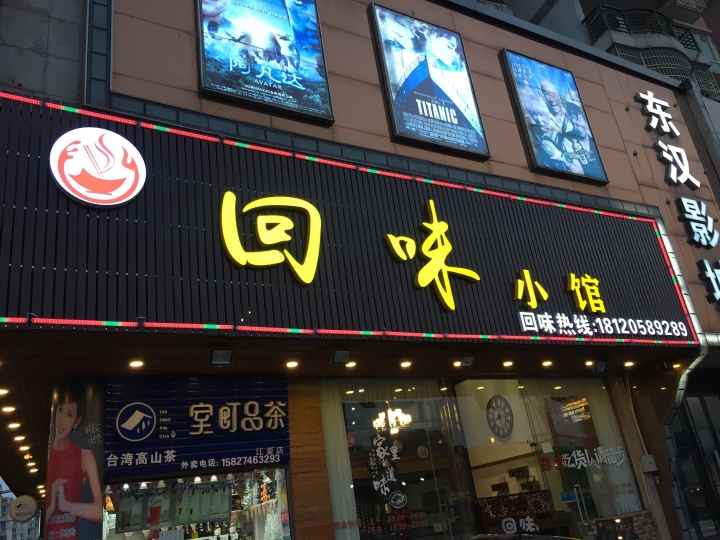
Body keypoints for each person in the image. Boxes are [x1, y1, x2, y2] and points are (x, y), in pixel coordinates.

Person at [46, 381, 102, 540]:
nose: (61, 420)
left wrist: (66, 506)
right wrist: (53, 506)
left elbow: (99, 511)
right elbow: (48, 517)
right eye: (60, 410)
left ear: (76, 421)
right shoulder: (49, 456)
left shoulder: (84, 456)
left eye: (69, 414)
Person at [521, 93, 583, 175]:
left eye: (541, 114)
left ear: (547, 113)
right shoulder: (530, 136)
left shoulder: (562, 138)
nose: (539, 119)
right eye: (534, 115)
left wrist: (562, 157)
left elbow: (578, 169)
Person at [565, 103, 605, 179]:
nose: (578, 126)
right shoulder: (567, 139)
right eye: (574, 124)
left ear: (585, 121)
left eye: (580, 120)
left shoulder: (595, 141)